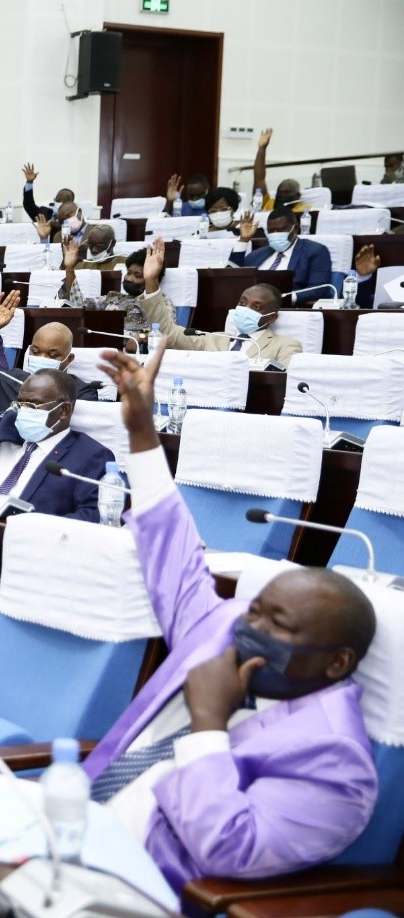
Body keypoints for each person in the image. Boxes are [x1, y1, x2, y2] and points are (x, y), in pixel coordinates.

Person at [87, 341, 378, 893]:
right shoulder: (222, 630)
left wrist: (209, 727)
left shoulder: (335, 760)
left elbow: (231, 852)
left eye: (278, 625)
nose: (250, 627)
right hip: (73, 830)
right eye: (256, 610)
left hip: (142, 891)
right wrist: (143, 432)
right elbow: (172, 553)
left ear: (338, 662)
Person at [0, 271, 114, 521]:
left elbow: (93, 516)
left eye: (35, 405)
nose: (23, 411)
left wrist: (26, 530)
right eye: (21, 403)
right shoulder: (3, 430)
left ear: (64, 410)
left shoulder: (90, 456)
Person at [140, 238, 303, 366]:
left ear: (271, 318)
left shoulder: (285, 345)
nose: (246, 309)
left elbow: (285, 382)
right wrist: (151, 281)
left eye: (257, 307)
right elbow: (168, 332)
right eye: (243, 303)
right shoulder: (213, 339)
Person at [0, 294, 104, 403]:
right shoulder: (9, 379)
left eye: (53, 355)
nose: (41, 358)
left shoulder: (80, 391)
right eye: (35, 352)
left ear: (69, 359)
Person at [230, 207, 333, 303]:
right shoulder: (257, 254)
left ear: (295, 228)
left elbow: (318, 289)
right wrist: (243, 240)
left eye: (281, 230)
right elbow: (232, 276)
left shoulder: (315, 251)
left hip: (287, 308)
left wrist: (281, 298)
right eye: (271, 231)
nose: (275, 234)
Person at [251, 129, 310, 213]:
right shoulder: (269, 203)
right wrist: (261, 149)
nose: (282, 196)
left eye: (287, 192)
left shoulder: (304, 210)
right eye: (280, 192)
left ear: (298, 196)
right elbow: (259, 179)